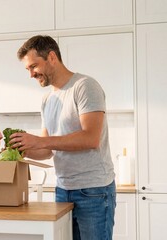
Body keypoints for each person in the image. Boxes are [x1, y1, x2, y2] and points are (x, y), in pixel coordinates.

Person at [10, 35, 116, 240]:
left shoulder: (84, 86)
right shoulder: (47, 99)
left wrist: (39, 141)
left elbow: (90, 138)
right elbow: (47, 150)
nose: (31, 74)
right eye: (27, 69)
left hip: (93, 191)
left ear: (51, 57)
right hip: (62, 190)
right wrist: (21, 148)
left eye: (34, 66)